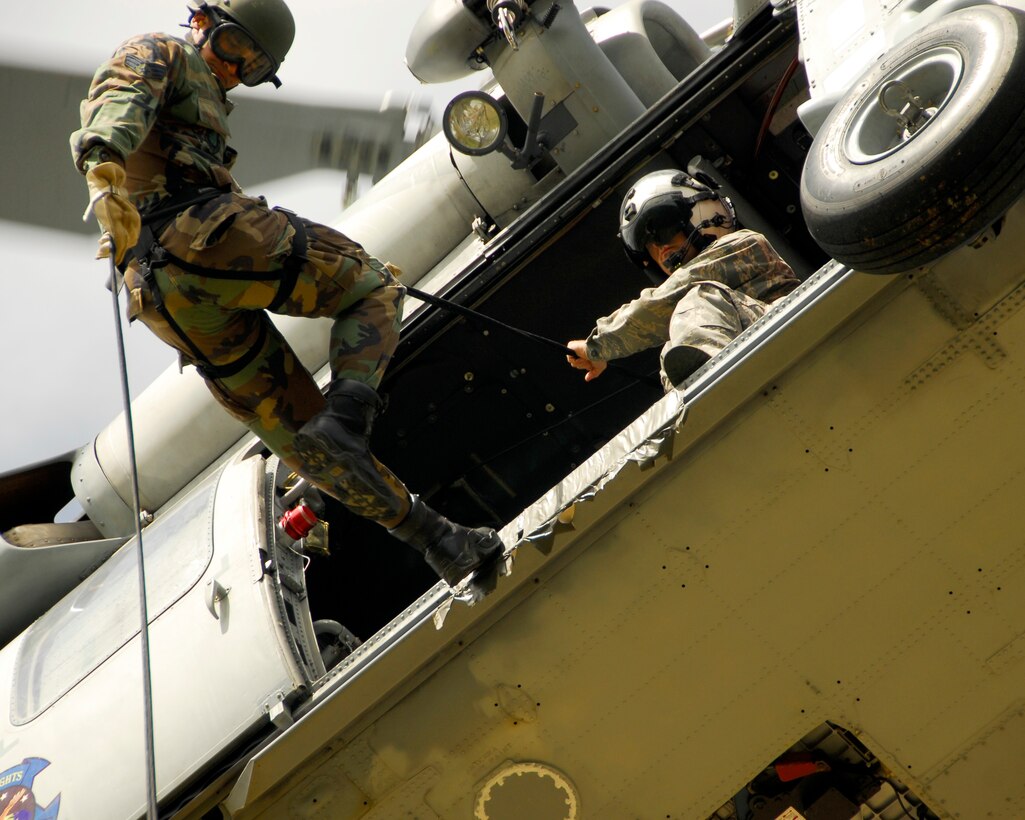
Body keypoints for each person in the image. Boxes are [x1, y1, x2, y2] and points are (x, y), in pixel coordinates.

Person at [70, 0, 502, 590]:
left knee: (309, 443)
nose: (232, 71)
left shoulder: (201, 118)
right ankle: (350, 417)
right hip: (198, 237)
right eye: (230, 51)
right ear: (200, 24)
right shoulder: (163, 52)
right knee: (373, 284)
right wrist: (103, 167)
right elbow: (122, 94)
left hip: (168, 301)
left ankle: (437, 540)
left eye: (250, 68)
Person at [566, 169, 801, 389]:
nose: (660, 248)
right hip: (767, 381)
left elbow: (661, 302)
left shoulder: (744, 245)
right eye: (648, 245)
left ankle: (714, 383)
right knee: (672, 352)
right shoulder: (687, 321)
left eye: (663, 230)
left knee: (697, 302)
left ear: (705, 215)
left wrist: (595, 347)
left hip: (790, 335)